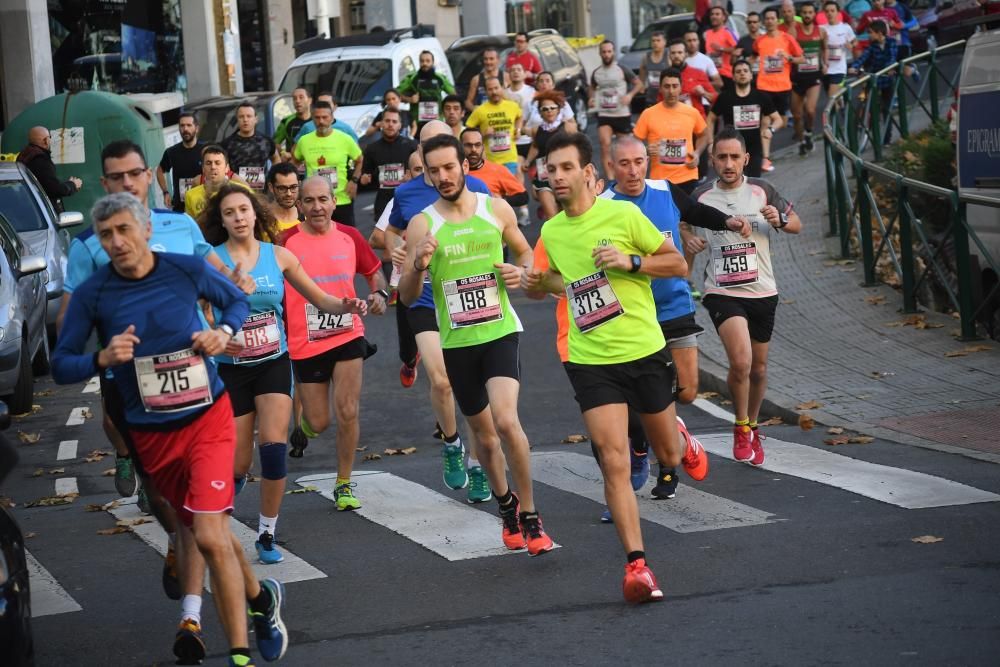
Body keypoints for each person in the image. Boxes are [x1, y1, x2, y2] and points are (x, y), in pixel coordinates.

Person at [52, 193, 288, 667]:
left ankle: (238, 653)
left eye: (124, 229)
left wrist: (222, 331)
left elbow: (237, 302)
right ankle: (262, 602)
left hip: (208, 417)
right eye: (106, 235)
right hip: (152, 435)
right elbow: (60, 365)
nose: (116, 242)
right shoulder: (96, 292)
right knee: (205, 530)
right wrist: (101, 358)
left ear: (146, 230)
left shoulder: (184, 269)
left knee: (206, 532)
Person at [522, 131, 708, 602]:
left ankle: (679, 437)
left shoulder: (623, 214)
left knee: (666, 455)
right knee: (614, 461)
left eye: (566, 168)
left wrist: (630, 260)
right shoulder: (550, 232)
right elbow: (550, 285)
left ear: (587, 172)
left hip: (643, 349)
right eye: (551, 169)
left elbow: (676, 264)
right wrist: (534, 280)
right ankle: (637, 567)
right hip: (590, 359)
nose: (557, 177)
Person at [398, 133, 554, 556]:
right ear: (427, 175)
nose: (444, 176)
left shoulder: (495, 208)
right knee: (484, 439)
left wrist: (521, 273)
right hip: (458, 342)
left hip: (500, 330)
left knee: (506, 422)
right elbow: (409, 296)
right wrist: (417, 265)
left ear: (464, 166)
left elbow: (526, 254)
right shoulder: (422, 224)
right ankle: (506, 505)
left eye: (450, 167)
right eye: (435, 171)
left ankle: (532, 516)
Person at [200, 184, 367, 564]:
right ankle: (220, 508)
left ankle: (267, 533)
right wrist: (214, 334)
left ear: (256, 213)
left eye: (244, 209)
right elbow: (198, 308)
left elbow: (319, 299)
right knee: (239, 462)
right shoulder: (211, 259)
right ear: (221, 220)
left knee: (273, 448)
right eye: (230, 212)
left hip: (273, 363)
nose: (239, 218)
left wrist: (348, 305)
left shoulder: (279, 256)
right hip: (232, 370)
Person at [598, 135, 751, 505]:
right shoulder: (602, 206)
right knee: (643, 397)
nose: (633, 170)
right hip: (633, 315)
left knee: (685, 391)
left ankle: (670, 429)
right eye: (624, 164)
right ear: (610, 167)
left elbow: (695, 213)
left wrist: (728, 220)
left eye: (639, 161)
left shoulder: (664, 189)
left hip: (674, 306)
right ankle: (663, 461)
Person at [384, 121, 494, 502]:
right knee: (442, 379)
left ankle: (480, 465)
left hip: (472, 301)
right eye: (429, 147)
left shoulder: (479, 190)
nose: (438, 156)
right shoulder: (406, 193)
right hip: (428, 299)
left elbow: (498, 238)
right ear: (420, 152)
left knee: (480, 392)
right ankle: (451, 443)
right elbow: (390, 233)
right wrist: (399, 252)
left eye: (444, 145)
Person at [689, 128, 802, 466]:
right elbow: (678, 225)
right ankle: (740, 426)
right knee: (741, 362)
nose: (728, 163)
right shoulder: (700, 196)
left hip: (764, 289)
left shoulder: (762, 190)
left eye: (734, 157)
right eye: (721, 157)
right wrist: (688, 242)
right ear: (712, 160)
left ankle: (753, 425)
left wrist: (779, 219)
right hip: (722, 291)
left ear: (746, 159)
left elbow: (797, 224)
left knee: (759, 368)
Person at [280, 176, 387, 509]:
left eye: (323, 200)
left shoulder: (350, 236)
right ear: (299, 205)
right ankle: (305, 428)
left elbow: (374, 272)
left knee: (348, 411)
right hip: (305, 340)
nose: (317, 207)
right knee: (319, 421)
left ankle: (343, 484)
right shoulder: (284, 241)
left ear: (333, 201)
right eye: (309, 201)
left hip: (347, 331)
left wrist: (379, 293)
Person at [633, 68, 709, 195]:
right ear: (661, 88)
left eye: (675, 86)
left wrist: (697, 153)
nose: (671, 91)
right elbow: (634, 143)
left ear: (681, 87)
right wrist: (645, 150)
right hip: (660, 180)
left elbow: (704, 134)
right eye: (667, 86)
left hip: (688, 176)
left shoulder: (691, 112)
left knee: (688, 215)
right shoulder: (648, 114)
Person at [708, 59, 783, 178]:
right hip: (731, 148)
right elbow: (710, 119)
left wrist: (770, 129)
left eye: (745, 71)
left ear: (750, 75)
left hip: (754, 149)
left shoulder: (761, 96)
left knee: (753, 182)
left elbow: (778, 120)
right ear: (733, 77)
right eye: (738, 72)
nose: (742, 73)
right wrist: (711, 142)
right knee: (734, 182)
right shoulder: (725, 97)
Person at [293, 101, 364, 226]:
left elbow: (360, 159)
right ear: (312, 119)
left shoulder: (345, 139)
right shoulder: (304, 141)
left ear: (331, 118)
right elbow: (294, 162)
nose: (321, 121)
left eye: (325, 117)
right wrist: (296, 184)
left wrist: (354, 180)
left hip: (341, 199)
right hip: (314, 203)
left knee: (346, 239)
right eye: (317, 117)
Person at [753, 7, 805, 171]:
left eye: (772, 18)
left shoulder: (787, 39)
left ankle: (769, 132)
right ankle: (766, 158)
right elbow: (755, 55)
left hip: (782, 86)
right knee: (765, 120)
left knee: (781, 121)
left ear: (777, 20)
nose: (769, 21)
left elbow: (801, 59)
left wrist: (788, 57)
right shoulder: (759, 41)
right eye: (766, 19)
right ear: (764, 22)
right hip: (763, 85)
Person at [588, 40, 641, 176]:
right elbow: (591, 88)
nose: (606, 54)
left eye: (609, 51)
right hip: (604, 114)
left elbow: (639, 84)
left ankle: (627, 174)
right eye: (604, 52)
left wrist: (630, 95)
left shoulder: (622, 69)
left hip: (621, 113)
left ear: (614, 52)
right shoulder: (596, 73)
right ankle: (611, 180)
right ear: (600, 53)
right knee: (605, 145)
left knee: (625, 148)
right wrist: (591, 98)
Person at [361, 107, 418, 221]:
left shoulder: (411, 146)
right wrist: (364, 179)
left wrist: (412, 177)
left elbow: (422, 174)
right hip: (383, 203)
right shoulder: (372, 149)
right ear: (381, 123)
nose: (390, 124)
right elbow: (366, 175)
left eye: (394, 121)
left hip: (408, 200)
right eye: (387, 121)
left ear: (400, 125)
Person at [849, 20, 898, 144]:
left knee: (886, 110)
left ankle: (886, 139)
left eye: (870, 32)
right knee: (871, 107)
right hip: (874, 80)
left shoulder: (891, 43)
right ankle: (871, 134)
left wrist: (888, 68)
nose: (868, 35)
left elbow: (892, 57)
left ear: (880, 33)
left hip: (886, 80)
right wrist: (854, 66)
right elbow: (863, 57)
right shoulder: (872, 46)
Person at [788, 2, 828, 156]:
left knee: (810, 111)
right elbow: (789, 51)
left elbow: (825, 49)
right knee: (797, 116)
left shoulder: (821, 31)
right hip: (797, 77)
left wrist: (825, 63)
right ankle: (801, 141)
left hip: (814, 76)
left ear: (814, 14)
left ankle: (809, 132)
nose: (807, 15)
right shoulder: (794, 31)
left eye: (810, 12)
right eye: (804, 12)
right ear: (801, 14)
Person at [522, 90, 568, 221]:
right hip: (544, 176)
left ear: (558, 110)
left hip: (563, 175)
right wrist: (527, 162)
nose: (549, 111)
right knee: (552, 217)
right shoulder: (537, 129)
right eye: (545, 109)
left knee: (566, 213)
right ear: (540, 112)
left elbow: (577, 149)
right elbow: (536, 146)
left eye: (553, 108)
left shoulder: (568, 127)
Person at [465, 77, 523, 175]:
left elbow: (519, 117)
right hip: (491, 160)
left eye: (496, 88)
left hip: (510, 158)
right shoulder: (480, 110)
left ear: (502, 88)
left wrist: (518, 130)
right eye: (490, 89)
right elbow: (468, 131)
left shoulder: (512, 106)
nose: (494, 92)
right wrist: (483, 134)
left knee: (507, 188)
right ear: (486, 92)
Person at [17, 126, 83, 213]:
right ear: (46, 140)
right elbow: (54, 189)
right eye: (49, 138)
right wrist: (73, 185)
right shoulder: (41, 160)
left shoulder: (25, 155)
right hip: (43, 212)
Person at [460, 127, 529, 210]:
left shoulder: (497, 170)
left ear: (483, 147)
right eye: (468, 145)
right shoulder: (452, 171)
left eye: (477, 145)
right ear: (459, 146)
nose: (473, 149)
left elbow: (523, 197)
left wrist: (501, 200)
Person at [222, 102, 280, 192]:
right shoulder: (227, 144)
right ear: (237, 120)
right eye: (241, 117)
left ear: (256, 119)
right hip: (237, 192)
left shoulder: (266, 141)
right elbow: (222, 168)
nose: (245, 120)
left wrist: (271, 178)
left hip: (263, 193)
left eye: (249, 116)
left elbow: (276, 159)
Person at [184, 145, 252, 220]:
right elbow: (190, 226)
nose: (213, 167)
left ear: (227, 168)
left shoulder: (244, 191)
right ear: (203, 168)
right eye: (208, 163)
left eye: (217, 163)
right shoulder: (190, 195)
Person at [156, 112, 204, 212]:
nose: (185, 129)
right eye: (182, 126)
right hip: (180, 208)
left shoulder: (205, 150)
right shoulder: (172, 152)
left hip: (202, 206)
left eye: (189, 125)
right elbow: (160, 170)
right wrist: (165, 192)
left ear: (197, 128)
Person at [398, 51, 456, 129]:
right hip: (417, 123)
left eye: (428, 61)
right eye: (422, 61)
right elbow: (394, 95)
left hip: (437, 122)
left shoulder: (440, 78)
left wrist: (445, 106)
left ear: (433, 62)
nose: (425, 63)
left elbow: (454, 95)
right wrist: (409, 99)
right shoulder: (412, 78)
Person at [666, 39, 717, 119]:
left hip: (697, 121)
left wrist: (704, 93)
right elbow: (660, 102)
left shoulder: (698, 73)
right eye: (673, 53)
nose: (676, 56)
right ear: (669, 55)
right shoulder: (665, 76)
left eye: (680, 52)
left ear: (686, 54)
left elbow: (715, 99)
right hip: (675, 122)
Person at [523, 71, 579, 136]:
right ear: (537, 85)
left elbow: (572, 123)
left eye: (547, 81)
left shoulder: (561, 102)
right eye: (541, 81)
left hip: (558, 139)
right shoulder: (530, 103)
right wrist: (529, 132)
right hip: (538, 141)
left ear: (553, 85)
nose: (544, 83)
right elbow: (522, 124)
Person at [821, 1, 858, 97]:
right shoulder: (821, 28)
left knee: (831, 98)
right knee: (833, 98)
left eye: (832, 11)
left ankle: (838, 107)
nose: (829, 13)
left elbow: (855, 41)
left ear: (838, 12)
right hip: (826, 70)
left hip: (839, 69)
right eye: (827, 11)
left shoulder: (845, 28)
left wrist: (852, 45)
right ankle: (841, 105)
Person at [292, 93, 360, 144]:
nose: (323, 107)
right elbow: (296, 150)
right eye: (320, 104)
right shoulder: (307, 127)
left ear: (335, 107)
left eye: (327, 104)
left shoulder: (345, 128)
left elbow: (357, 151)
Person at [505, 63, 536, 171]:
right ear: (508, 75)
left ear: (524, 74)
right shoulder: (503, 94)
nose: (516, 72)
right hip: (512, 141)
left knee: (536, 175)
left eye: (519, 69)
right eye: (512, 70)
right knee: (518, 172)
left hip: (530, 140)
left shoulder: (532, 92)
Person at [704, 6, 739, 92]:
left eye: (717, 14)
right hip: (711, 74)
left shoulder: (728, 32)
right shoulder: (707, 34)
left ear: (723, 17)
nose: (714, 16)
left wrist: (721, 49)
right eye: (712, 14)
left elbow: (738, 49)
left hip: (726, 75)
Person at [465, 48, 510, 112]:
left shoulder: (506, 77)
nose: (488, 62)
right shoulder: (476, 79)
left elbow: (513, 98)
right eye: (486, 59)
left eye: (491, 59)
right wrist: (476, 110)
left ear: (498, 60)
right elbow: (468, 102)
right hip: (484, 117)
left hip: (501, 116)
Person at [273, 87, 312, 161]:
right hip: (293, 165)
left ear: (310, 100)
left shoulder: (318, 119)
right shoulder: (286, 121)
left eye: (301, 97)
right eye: (294, 98)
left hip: (315, 164)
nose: (297, 101)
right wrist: (283, 153)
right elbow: (275, 143)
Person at [266, 162, 302, 232]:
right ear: (271, 187)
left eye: (293, 187)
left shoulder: (308, 216)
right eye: (282, 188)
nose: (289, 193)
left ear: (299, 185)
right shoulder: (262, 219)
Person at [638, 31, 670, 110]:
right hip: (651, 97)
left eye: (658, 40)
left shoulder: (668, 56)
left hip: (665, 97)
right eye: (653, 41)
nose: (655, 43)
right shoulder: (646, 57)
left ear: (664, 42)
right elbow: (642, 73)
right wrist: (641, 86)